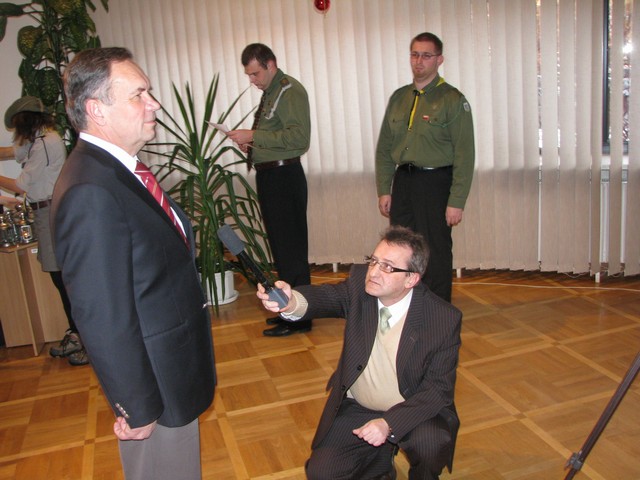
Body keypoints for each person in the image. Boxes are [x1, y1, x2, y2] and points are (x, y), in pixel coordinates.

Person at [51, 47, 216, 480]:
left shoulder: (121, 170)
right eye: (138, 94)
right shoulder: (90, 190)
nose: (154, 104)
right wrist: (136, 405)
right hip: (154, 388)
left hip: (170, 372)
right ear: (96, 110)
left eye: (150, 92)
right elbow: (102, 314)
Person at [257, 226, 461, 479]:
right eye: (373, 261)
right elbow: (326, 297)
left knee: (429, 444)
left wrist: (389, 424)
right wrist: (290, 302)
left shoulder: (442, 318)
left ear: (411, 279)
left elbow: (437, 390)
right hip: (360, 405)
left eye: (387, 267)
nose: (373, 272)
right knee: (322, 474)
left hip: (411, 407)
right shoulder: (359, 286)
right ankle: (380, 463)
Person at [375, 32, 475, 303]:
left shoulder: (452, 99)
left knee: (435, 249)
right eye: (415, 54)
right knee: (401, 248)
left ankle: (438, 310)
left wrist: (456, 201)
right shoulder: (399, 98)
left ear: (439, 60)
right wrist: (384, 189)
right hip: (403, 181)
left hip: (435, 182)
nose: (419, 61)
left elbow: (465, 154)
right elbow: (384, 148)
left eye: (426, 55)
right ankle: (408, 305)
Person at [226, 43, 313, 337]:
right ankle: (289, 310)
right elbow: (275, 135)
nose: (252, 80)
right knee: (282, 249)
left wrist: (254, 134)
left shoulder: (289, 91)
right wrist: (253, 143)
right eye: (249, 75)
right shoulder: (272, 92)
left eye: (255, 73)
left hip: (284, 175)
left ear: (271, 64)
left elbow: (299, 138)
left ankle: (301, 317)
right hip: (271, 175)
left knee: (292, 251)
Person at [0, 96, 87, 365]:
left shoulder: (46, 143)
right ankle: (77, 333)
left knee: (63, 279)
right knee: (59, 277)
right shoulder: (39, 140)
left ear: (24, 122)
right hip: (45, 212)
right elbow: (13, 152)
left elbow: (20, 185)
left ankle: (82, 339)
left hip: (51, 212)